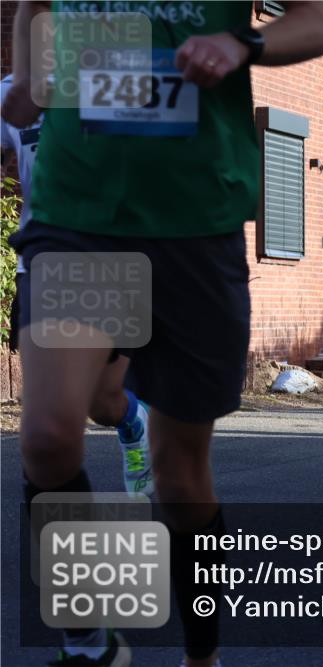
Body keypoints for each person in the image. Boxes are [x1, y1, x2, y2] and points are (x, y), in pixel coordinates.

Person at [3, 3, 323, 666]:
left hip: (194, 222)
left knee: (180, 478)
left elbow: (318, 23)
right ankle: (89, 639)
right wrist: (28, 73)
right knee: (46, 437)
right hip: (79, 217)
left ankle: (201, 653)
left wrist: (239, 44)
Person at [2, 74, 153, 498]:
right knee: (46, 437)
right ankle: (64, 559)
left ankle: (132, 420)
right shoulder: (14, 88)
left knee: (101, 404)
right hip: (42, 262)